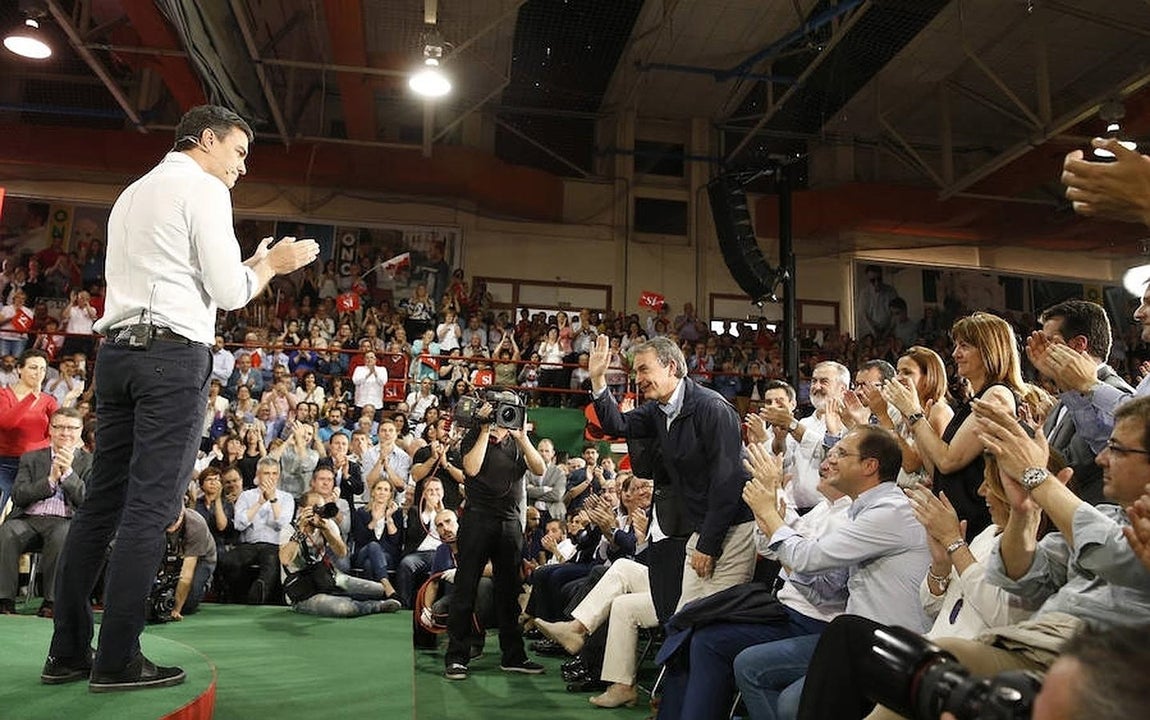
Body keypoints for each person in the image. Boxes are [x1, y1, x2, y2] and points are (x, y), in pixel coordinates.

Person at [44, 104, 319, 692]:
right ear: (207, 139)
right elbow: (229, 291)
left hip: (117, 355)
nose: (242, 166)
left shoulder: (133, 192)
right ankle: (117, 659)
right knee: (150, 508)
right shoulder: (205, 189)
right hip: (170, 359)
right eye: (239, 152)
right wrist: (271, 266)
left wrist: (251, 263)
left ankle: (66, 653)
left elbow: (177, 274)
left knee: (101, 505)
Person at [587, 335, 756, 617]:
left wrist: (708, 544)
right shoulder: (658, 409)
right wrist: (597, 379)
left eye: (644, 369)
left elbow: (727, 483)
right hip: (702, 527)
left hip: (732, 529)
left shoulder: (712, 408)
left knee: (711, 621)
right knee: (682, 620)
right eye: (636, 371)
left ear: (672, 367)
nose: (638, 379)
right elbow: (618, 424)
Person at [443, 392, 546, 681]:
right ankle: (457, 656)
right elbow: (471, 468)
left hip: (510, 522)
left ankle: (513, 656)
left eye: (511, 408)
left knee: (509, 592)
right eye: (501, 408)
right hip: (477, 519)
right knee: (466, 589)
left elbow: (539, 469)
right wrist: (485, 428)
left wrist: (522, 437)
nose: (505, 413)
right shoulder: (475, 435)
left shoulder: (518, 441)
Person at [0, 408, 90, 617]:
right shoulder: (31, 458)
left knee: (62, 535)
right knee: (7, 531)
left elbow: (88, 501)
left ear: (80, 431)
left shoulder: (90, 462)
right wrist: (49, 481)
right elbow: (19, 495)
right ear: (50, 429)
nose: (65, 433)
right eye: (59, 427)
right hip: (29, 519)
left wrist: (67, 475)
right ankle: (4, 600)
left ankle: (52, 602)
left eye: (71, 428)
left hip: (65, 520)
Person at [0, 349, 63, 513]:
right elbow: (6, 424)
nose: (39, 373)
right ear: (19, 369)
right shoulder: (3, 395)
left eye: (43, 369)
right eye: (33, 367)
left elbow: (59, 429)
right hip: (6, 463)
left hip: (37, 464)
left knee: (29, 512)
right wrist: (32, 396)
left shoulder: (49, 401)